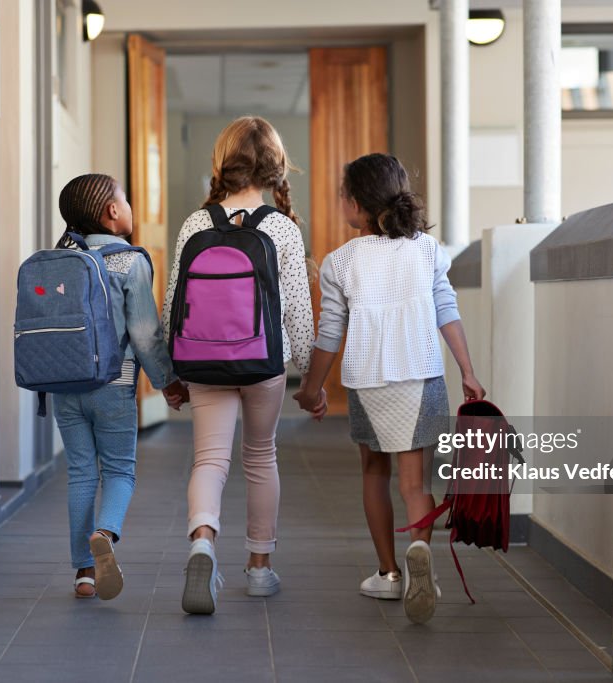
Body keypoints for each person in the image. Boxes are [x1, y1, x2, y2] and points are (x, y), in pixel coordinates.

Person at [293, 153, 486, 624]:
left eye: (343, 196)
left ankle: (389, 574)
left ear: (356, 205)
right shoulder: (427, 250)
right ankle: (420, 548)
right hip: (422, 375)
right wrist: (467, 370)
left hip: (368, 381)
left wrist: (311, 389)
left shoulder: (341, 262)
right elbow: (447, 310)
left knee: (374, 474)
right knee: (414, 481)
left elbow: (330, 333)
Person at [162, 116, 314, 614]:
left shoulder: (194, 223)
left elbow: (172, 305)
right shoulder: (282, 229)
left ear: (222, 162)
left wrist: (174, 369)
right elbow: (297, 310)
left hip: (202, 360)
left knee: (209, 460)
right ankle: (258, 569)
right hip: (263, 362)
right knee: (260, 457)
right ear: (274, 169)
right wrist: (311, 375)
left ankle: (203, 543)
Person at [52, 174, 188, 600]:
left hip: (63, 385)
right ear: (112, 211)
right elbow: (145, 334)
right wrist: (166, 381)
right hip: (114, 383)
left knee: (79, 473)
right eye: (125, 199)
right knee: (118, 469)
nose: (128, 205)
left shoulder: (59, 260)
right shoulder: (129, 262)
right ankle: (105, 532)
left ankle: (84, 574)